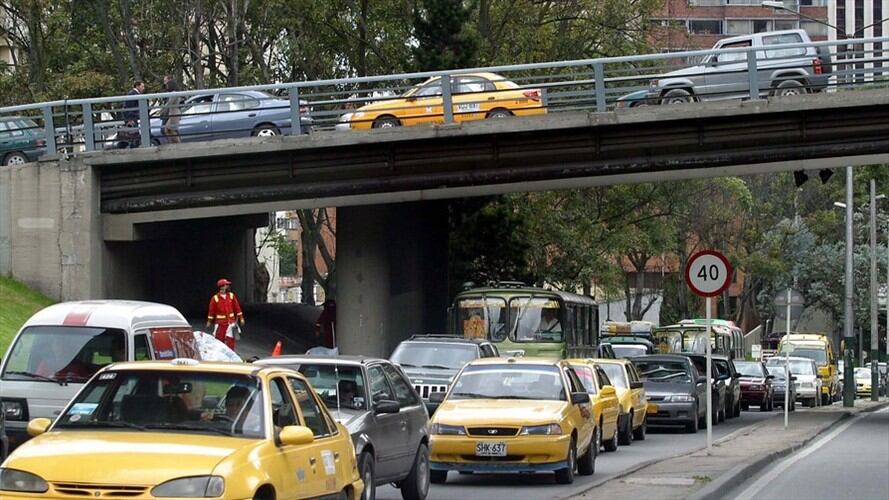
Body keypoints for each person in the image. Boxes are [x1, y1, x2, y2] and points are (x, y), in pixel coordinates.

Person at [206, 278, 245, 350]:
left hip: (231, 324)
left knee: (230, 340)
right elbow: (211, 312)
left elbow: (237, 308)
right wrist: (209, 322)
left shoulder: (231, 296)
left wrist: (241, 318)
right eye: (226, 285)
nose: (228, 286)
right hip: (221, 324)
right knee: (219, 341)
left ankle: (230, 356)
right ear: (222, 286)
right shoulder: (215, 298)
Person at [159, 76, 182, 144]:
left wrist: (161, 111)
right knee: (168, 130)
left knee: (170, 129)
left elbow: (169, 103)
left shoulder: (174, 93)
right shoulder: (173, 93)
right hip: (172, 113)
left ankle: (178, 143)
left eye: (168, 85)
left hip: (174, 113)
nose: (167, 86)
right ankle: (174, 143)